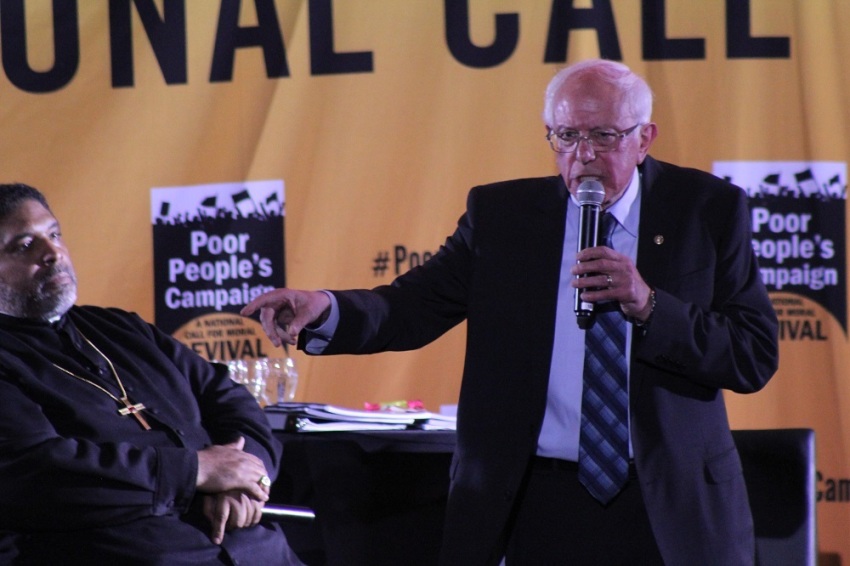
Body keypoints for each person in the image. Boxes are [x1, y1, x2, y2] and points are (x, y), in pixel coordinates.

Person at [241, 59, 779, 565]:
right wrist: (324, 309)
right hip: (537, 498)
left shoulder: (707, 210)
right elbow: (411, 306)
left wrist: (650, 306)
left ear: (644, 138)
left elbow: (752, 354)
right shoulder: (503, 217)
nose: (583, 155)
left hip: (670, 505)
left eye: (603, 136)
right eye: (566, 136)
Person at [0, 183, 304, 565]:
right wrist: (197, 471)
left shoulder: (122, 328)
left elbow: (231, 398)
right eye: (25, 245)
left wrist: (246, 480)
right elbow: (40, 470)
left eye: (55, 234)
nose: (53, 252)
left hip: (256, 550)